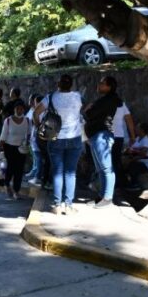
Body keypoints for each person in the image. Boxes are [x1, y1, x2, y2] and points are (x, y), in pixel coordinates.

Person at [34, 74, 83, 215]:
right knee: (70, 173)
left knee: (57, 172)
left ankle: (57, 205)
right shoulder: (78, 97)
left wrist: (39, 127)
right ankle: (68, 206)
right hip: (74, 138)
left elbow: (36, 113)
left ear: (58, 84)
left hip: (55, 138)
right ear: (71, 85)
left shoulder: (50, 97)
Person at [83, 76, 123, 208]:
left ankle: (107, 198)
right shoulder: (105, 100)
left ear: (109, 87)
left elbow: (90, 114)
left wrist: (88, 109)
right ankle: (101, 197)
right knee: (100, 169)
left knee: (106, 168)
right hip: (97, 136)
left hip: (101, 136)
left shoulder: (108, 100)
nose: (98, 84)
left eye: (102, 83)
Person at [0, 100, 30, 199]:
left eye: (21, 109)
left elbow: (29, 134)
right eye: (17, 108)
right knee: (10, 169)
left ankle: (16, 191)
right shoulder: (8, 120)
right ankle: (7, 184)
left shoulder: (27, 121)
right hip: (9, 148)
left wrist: (27, 143)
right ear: (14, 109)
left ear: (24, 110)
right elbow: (3, 136)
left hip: (21, 149)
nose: (19, 110)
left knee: (19, 171)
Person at [125, 123, 148, 190]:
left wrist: (132, 158)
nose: (135, 129)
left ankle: (135, 185)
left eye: (137, 128)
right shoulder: (137, 138)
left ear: (142, 130)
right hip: (139, 161)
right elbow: (130, 148)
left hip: (147, 165)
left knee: (133, 165)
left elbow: (142, 154)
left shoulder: (147, 140)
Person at [112, 98, 136, 185]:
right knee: (117, 161)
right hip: (120, 137)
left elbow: (128, 119)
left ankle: (119, 182)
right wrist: (133, 136)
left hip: (113, 138)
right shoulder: (121, 104)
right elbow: (129, 119)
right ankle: (120, 182)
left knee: (115, 161)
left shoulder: (103, 103)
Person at [25, 95, 44, 183]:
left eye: (35, 102)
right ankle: (36, 172)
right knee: (36, 156)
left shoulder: (39, 111)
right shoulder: (34, 110)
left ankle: (38, 176)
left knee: (38, 157)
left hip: (37, 136)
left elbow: (36, 123)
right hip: (34, 135)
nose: (33, 103)